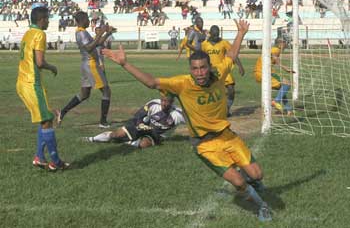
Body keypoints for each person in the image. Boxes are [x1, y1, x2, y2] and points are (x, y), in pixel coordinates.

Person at [102, 19, 272, 222]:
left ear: (209, 67)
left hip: (227, 136)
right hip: (204, 144)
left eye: (202, 68)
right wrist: (125, 64)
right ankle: (262, 206)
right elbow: (152, 82)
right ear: (190, 69)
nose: (199, 73)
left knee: (257, 174)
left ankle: (253, 182)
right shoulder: (182, 84)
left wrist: (241, 33)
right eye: (195, 68)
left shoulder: (219, 74)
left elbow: (231, 55)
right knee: (238, 182)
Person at [16, 6, 70, 171]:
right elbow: (39, 62)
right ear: (41, 20)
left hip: (23, 81)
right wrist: (52, 67)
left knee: (45, 118)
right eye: (47, 19)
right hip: (32, 83)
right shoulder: (40, 34)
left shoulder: (27, 33)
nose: (48, 21)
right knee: (47, 120)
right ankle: (56, 161)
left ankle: (39, 157)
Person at [58, 11, 115, 128]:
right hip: (91, 64)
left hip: (86, 64)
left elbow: (97, 43)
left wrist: (107, 34)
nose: (89, 21)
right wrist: (101, 32)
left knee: (84, 94)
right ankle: (103, 122)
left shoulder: (82, 32)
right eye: (87, 19)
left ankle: (62, 112)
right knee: (106, 91)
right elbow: (89, 47)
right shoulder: (81, 33)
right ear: (82, 20)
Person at [84, 92, 185, 149]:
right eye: (163, 101)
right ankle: (91, 139)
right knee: (116, 135)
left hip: (157, 135)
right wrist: (140, 124)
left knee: (143, 144)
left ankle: (129, 141)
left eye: (168, 102)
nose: (165, 104)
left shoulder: (178, 114)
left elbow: (195, 122)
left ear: (173, 102)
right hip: (143, 127)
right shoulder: (153, 104)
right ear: (161, 99)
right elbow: (139, 115)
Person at [201, 25, 245, 116]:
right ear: (210, 34)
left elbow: (233, 54)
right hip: (211, 71)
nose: (216, 36)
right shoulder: (204, 44)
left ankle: (227, 109)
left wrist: (240, 66)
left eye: (218, 34)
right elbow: (201, 58)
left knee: (231, 89)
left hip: (224, 68)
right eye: (214, 35)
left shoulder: (224, 42)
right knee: (209, 92)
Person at [254, 38, 294, 115]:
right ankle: (276, 101)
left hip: (259, 73)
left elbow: (274, 58)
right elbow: (275, 57)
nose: (286, 45)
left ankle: (288, 109)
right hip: (264, 72)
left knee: (282, 88)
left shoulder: (272, 49)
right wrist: (286, 68)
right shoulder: (276, 49)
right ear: (280, 43)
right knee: (287, 84)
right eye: (285, 43)